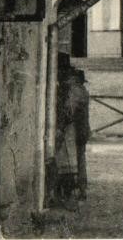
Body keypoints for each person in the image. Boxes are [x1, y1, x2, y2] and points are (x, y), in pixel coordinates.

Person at [55, 64, 78, 207]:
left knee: (66, 164)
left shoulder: (67, 94)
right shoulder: (63, 94)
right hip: (64, 130)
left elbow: (68, 114)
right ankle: (63, 194)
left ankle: (66, 194)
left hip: (66, 131)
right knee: (64, 164)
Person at [70, 68, 91, 200]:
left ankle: (81, 189)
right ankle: (82, 189)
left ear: (75, 80)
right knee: (80, 159)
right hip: (83, 129)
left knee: (78, 160)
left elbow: (71, 111)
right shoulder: (83, 91)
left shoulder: (76, 92)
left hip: (77, 130)